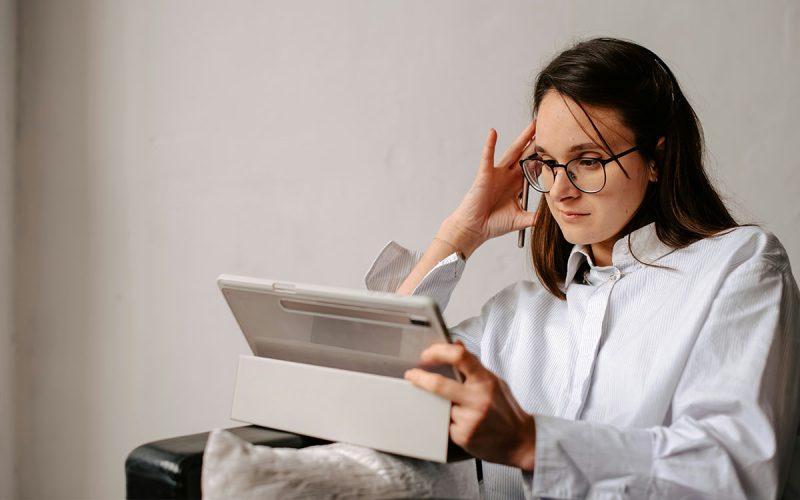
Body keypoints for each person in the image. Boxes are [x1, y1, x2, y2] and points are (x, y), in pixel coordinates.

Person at [364, 38, 800, 499]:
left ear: (658, 159)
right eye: (548, 163)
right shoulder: (515, 317)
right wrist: (457, 236)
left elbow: (732, 472)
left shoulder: (740, 265)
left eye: (588, 161)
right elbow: (372, 376)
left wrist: (531, 443)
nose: (559, 191)